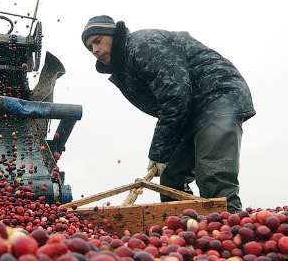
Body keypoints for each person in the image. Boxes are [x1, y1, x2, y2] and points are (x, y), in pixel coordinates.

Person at [81, 15, 254, 213]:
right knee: (172, 179)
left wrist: (159, 152)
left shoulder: (142, 45)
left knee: (212, 174)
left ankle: (230, 226)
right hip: (190, 112)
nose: (95, 50)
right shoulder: (124, 66)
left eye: (97, 41)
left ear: (114, 35)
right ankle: (186, 230)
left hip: (218, 97)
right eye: (89, 48)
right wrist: (163, 154)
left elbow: (175, 96)